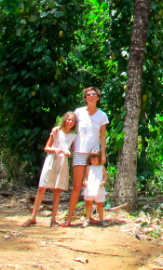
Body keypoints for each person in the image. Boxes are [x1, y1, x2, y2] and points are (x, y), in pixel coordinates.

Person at [62, 87, 108, 227]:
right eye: (88, 95)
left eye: (93, 94)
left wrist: (103, 154)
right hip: (79, 152)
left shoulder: (102, 115)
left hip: (93, 154)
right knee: (76, 186)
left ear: (98, 97)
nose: (91, 96)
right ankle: (69, 218)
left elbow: (102, 135)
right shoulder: (79, 112)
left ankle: (89, 217)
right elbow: (71, 128)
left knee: (93, 187)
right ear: (85, 98)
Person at [23, 111, 77, 227]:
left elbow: (72, 151)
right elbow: (47, 148)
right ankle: (33, 217)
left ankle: (53, 219)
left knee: (57, 190)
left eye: (72, 120)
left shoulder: (74, 136)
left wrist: (68, 153)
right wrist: (55, 150)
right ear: (65, 119)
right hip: (51, 161)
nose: (70, 122)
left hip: (62, 163)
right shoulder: (56, 131)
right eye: (68, 119)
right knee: (42, 187)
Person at [82, 149, 107, 227]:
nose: (93, 161)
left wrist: (103, 182)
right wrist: (85, 182)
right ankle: (87, 219)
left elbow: (105, 176)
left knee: (99, 204)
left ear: (99, 159)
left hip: (98, 187)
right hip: (90, 187)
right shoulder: (89, 167)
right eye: (92, 159)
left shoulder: (101, 167)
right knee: (89, 203)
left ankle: (102, 220)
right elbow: (86, 177)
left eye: (95, 159)